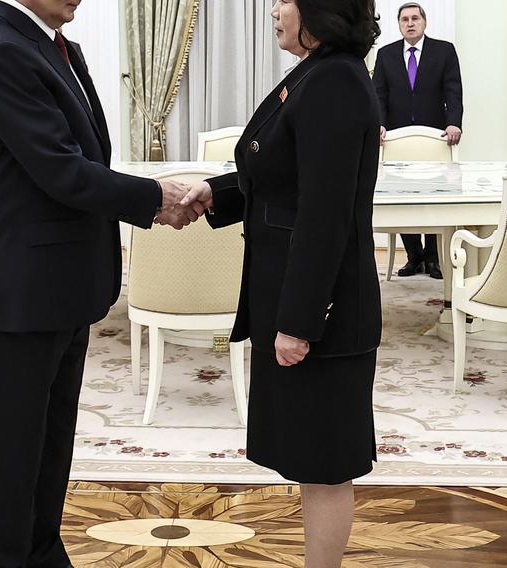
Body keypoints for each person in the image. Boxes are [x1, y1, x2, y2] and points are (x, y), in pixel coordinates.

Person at [0, 1, 198, 566]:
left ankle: (43, 553)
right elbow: (60, 169)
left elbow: (84, 159)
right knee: (12, 460)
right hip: (18, 292)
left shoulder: (54, 46)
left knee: (48, 448)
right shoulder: (2, 53)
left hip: (60, 284)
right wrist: (151, 198)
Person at [182, 0, 382, 565]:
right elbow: (281, 176)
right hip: (296, 298)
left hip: (323, 312)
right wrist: (215, 193)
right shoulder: (317, 74)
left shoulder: (336, 82)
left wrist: (298, 323)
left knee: (325, 464)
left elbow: (325, 216)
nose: (273, 9)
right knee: (308, 456)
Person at [372, 2, 463, 280]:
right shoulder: (386, 55)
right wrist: (379, 124)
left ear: (424, 22)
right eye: (404, 20)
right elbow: (379, 95)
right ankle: (414, 257)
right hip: (398, 137)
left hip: (434, 135)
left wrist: (454, 122)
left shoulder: (444, 51)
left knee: (435, 194)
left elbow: (453, 89)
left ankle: (433, 259)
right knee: (401, 194)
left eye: (415, 18)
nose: (410, 23)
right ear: (399, 25)